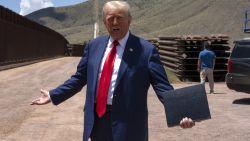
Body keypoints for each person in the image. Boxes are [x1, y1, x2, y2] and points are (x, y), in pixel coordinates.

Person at [31, 1, 195, 141]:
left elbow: (162, 87)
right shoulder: (93, 46)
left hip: (129, 126)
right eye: (111, 19)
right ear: (105, 22)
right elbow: (79, 78)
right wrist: (53, 94)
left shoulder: (146, 51)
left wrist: (181, 112)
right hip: (98, 123)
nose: (115, 22)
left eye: (119, 18)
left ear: (129, 20)